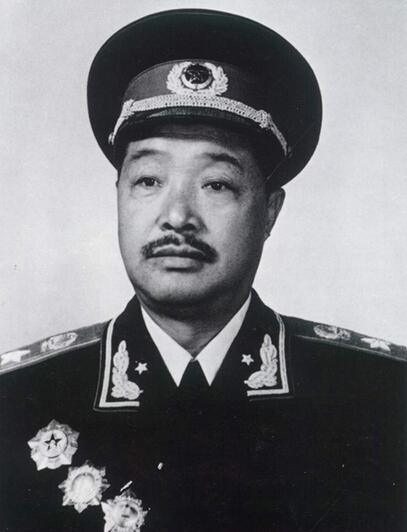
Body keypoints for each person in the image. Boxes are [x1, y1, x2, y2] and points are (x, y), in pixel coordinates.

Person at [0, 9, 406, 532]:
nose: (176, 217)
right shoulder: (18, 399)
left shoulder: (382, 398)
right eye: (148, 180)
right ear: (119, 196)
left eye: (216, 184)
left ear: (269, 212)